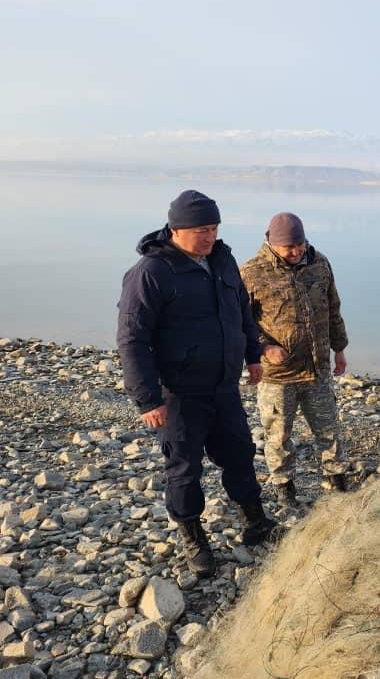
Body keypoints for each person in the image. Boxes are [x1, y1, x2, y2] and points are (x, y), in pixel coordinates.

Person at [117, 190, 276, 577]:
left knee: (239, 452)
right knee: (184, 468)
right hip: (178, 393)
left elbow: (241, 309)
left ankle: (255, 520)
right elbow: (132, 339)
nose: (209, 236)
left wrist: (253, 355)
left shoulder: (222, 260)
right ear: (175, 230)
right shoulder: (151, 273)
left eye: (214, 228)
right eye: (201, 230)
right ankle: (192, 536)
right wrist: (147, 399)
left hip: (223, 384)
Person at [240, 211, 350, 509]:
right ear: (272, 243)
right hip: (278, 376)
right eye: (289, 247)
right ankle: (284, 486)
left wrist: (339, 348)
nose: (296, 251)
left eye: (299, 244)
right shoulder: (251, 273)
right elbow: (241, 322)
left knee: (329, 429)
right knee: (278, 434)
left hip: (316, 369)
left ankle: (337, 479)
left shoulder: (320, 263)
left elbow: (333, 308)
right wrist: (263, 349)